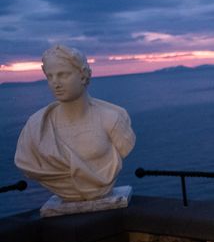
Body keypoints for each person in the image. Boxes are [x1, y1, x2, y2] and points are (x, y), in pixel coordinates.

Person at [15, 45, 135, 201]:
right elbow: (27, 165)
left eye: (63, 75)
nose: (55, 83)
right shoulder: (36, 127)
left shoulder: (113, 119)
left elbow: (125, 146)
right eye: (50, 77)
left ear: (83, 76)